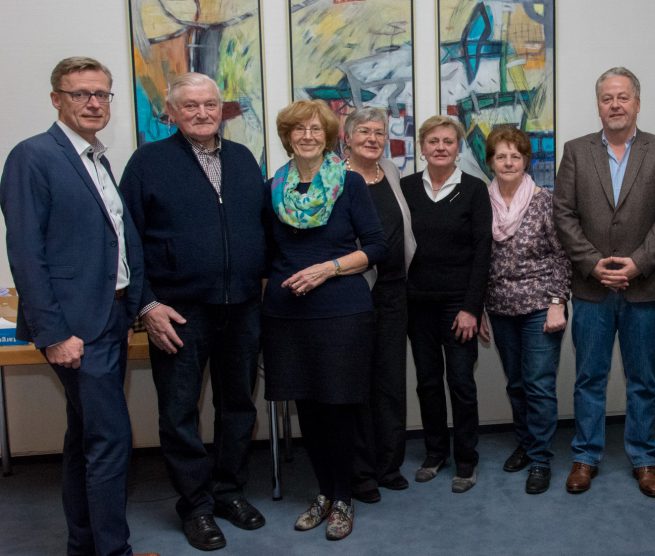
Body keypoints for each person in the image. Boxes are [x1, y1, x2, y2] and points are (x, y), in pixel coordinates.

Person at [0, 56, 151, 556]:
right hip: (74, 327)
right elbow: (25, 252)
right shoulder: (33, 156)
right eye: (81, 93)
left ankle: (84, 547)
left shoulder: (96, 158)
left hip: (109, 316)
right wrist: (53, 333)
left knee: (85, 438)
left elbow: (112, 243)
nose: (93, 102)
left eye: (102, 94)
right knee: (109, 442)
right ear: (56, 99)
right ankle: (114, 552)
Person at [120, 73, 268, 552]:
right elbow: (126, 243)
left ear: (221, 109)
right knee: (180, 412)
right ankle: (196, 507)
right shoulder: (148, 163)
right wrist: (146, 304)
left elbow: (261, 230)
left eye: (210, 105)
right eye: (191, 107)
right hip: (178, 312)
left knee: (238, 407)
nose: (202, 114)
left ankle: (228, 492)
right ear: (172, 112)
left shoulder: (244, 159)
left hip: (242, 307)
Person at [553, 67, 655, 497]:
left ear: (637, 103)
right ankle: (585, 457)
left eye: (623, 97)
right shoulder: (575, 151)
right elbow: (564, 214)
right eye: (607, 97)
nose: (615, 104)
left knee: (642, 379)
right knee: (589, 376)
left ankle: (644, 458)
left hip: (643, 287)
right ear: (598, 104)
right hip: (591, 289)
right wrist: (594, 265)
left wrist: (637, 263)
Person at [262, 100, 386, 540]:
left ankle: (344, 499)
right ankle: (322, 493)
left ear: (330, 135)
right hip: (288, 314)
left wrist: (327, 268)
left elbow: (375, 247)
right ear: (288, 137)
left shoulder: (349, 184)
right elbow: (266, 253)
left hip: (341, 311)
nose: (308, 135)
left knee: (338, 407)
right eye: (299, 129)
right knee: (308, 408)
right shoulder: (272, 187)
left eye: (316, 128)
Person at [400, 115, 492, 494]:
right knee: (427, 383)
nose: (440, 147)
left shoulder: (473, 189)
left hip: (458, 305)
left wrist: (472, 307)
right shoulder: (405, 188)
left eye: (448, 141)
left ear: (458, 148)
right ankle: (435, 453)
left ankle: (466, 460)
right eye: (433, 141)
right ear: (422, 147)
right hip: (416, 303)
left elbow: (483, 251)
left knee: (461, 382)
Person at [477, 126, 571, 495]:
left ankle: (541, 459)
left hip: (539, 307)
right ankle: (526, 442)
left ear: (526, 160)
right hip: (499, 306)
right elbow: (479, 260)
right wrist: (480, 307)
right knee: (516, 383)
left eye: (515, 156)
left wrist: (556, 302)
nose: (508, 162)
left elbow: (563, 256)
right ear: (490, 162)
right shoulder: (481, 203)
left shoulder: (545, 201)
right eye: (501, 156)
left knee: (539, 385)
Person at [343, 106, 417, 504]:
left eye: (379, 132)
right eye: (365, 132)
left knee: (390, 381)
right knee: (359, 383)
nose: (373, 138)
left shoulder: (389, 170)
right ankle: (361, 472)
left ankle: (389, 465)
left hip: (393, 291)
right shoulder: (337, 178)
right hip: (354, 293)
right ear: (348, 136)